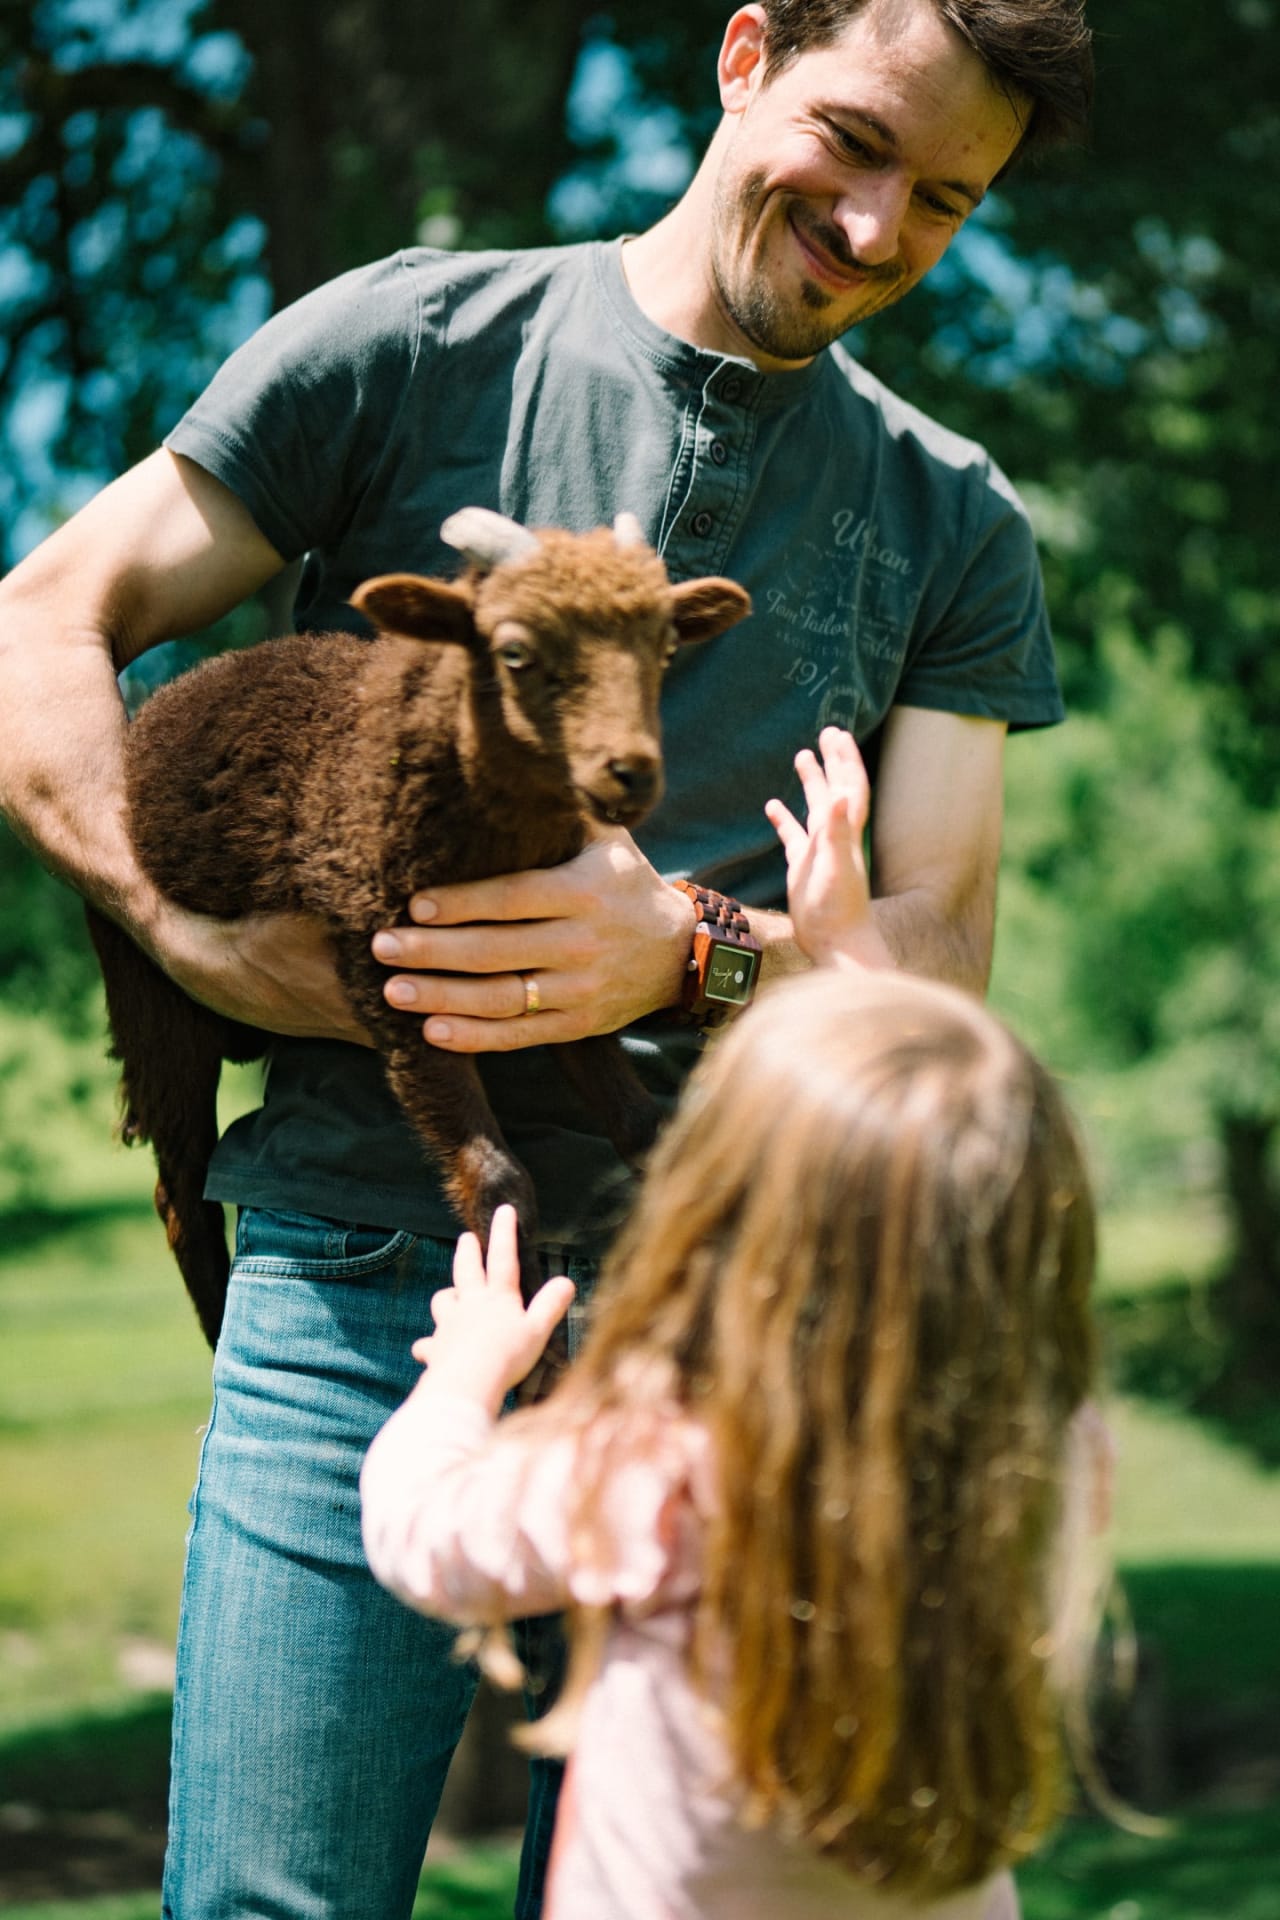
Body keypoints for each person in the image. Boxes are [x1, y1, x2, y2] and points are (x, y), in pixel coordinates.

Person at [0, 0, 1093, 1912]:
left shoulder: (955, 517)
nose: (875, 228)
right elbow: (42, 621)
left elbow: (936, 948)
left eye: (944, 200)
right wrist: (190, 937)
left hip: (734, 1345)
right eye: (854, 141)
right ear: (744, 56)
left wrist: (694, 952)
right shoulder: (407, 337)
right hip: (366, 1279)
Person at [360, 732, 1112, 1919]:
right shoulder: (1038, 1458)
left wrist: (461, 1378)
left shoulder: (660, 1474)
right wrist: (846, 950)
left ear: (730, 1227)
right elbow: (910, 1182)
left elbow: (424, 1533)